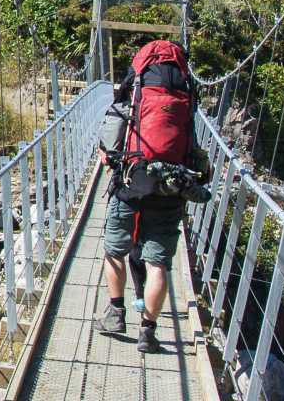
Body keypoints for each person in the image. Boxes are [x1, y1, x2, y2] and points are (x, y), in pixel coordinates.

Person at [95, 38, 206, 353]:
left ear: (142, 62)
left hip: (133, 179)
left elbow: (111, 135)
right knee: (159, 263)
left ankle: (116, 313)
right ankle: (148, 332)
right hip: (172, 186)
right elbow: (191, 141)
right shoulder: (185, 93)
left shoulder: (136, 88)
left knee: (115, 251)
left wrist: (108, 155)